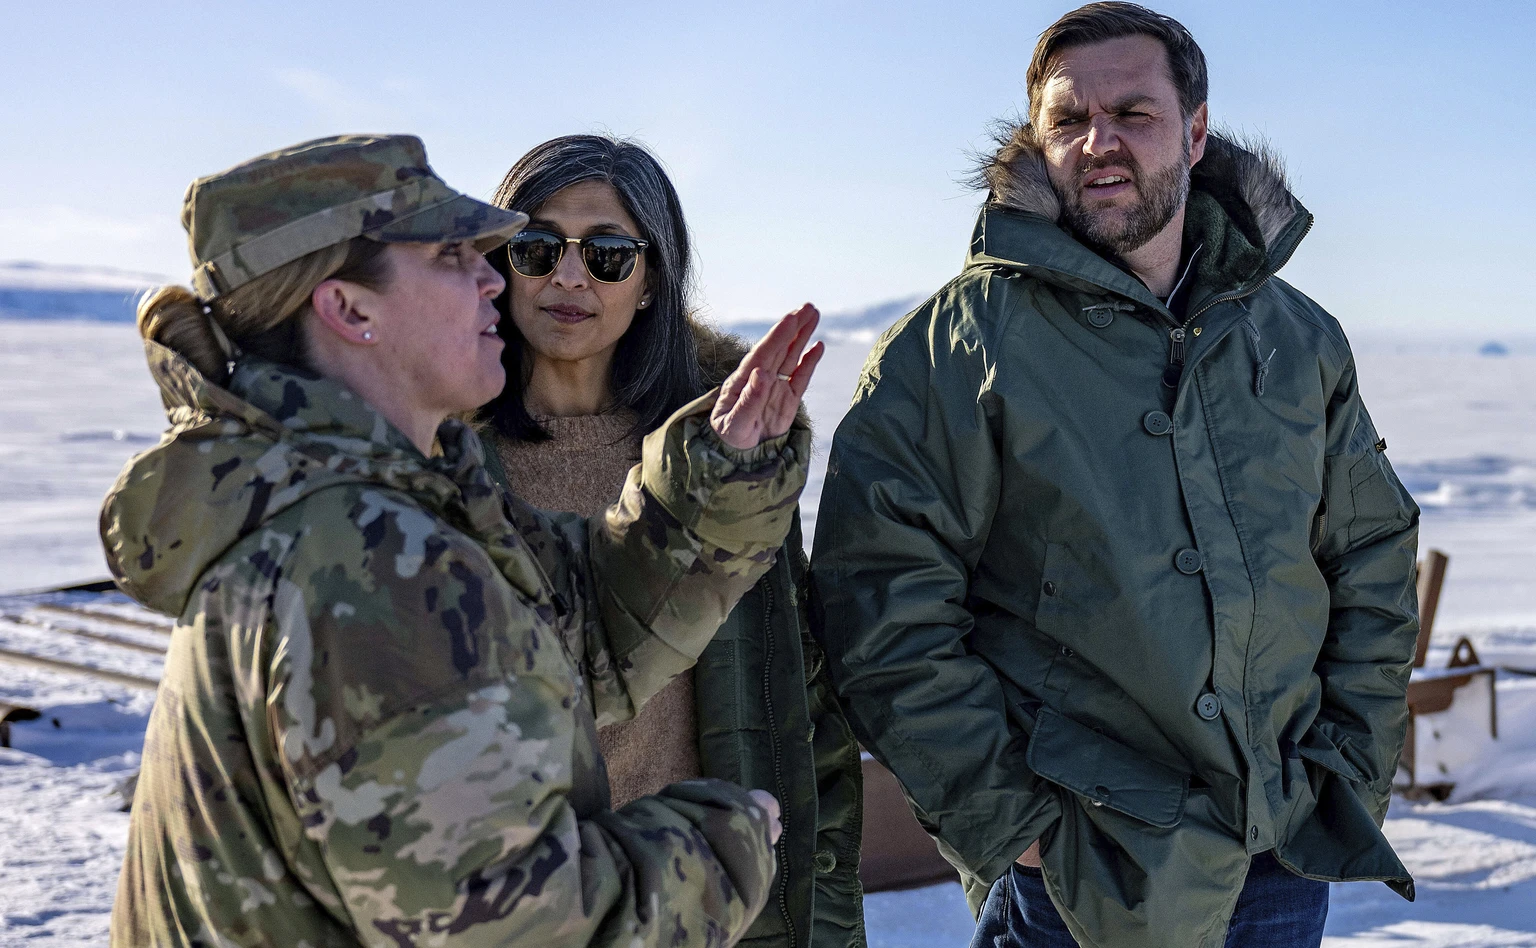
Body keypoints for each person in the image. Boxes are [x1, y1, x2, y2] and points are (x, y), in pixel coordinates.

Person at [103, 133, 824, 948]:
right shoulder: (364, 560)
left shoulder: (376, 497)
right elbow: (500, 926)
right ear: (349, 309)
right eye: (453, 256)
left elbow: (580, 632)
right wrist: (716, 848)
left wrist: (712, 484)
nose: (496, 276)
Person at [809, 4, 1421, 947]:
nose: (1099, 143)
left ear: (1197, 128)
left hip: (1284, 855)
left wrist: (1347, 764)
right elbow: (880, 601)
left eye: (1133, 113)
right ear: (1036, 140)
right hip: (1083, 877)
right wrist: (1016, 830)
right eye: (1068, 121)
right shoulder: (954, 349)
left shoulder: (1296, 337)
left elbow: (1370, 553)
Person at [474, 134, 866, 948]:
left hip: (707, 897)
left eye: (609, 253)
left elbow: (798, 704)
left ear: (653, 279)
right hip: (512, 906)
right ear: (497, 261)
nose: (569, 277)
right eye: (536, 247)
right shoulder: (442, 454)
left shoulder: (721, 459)